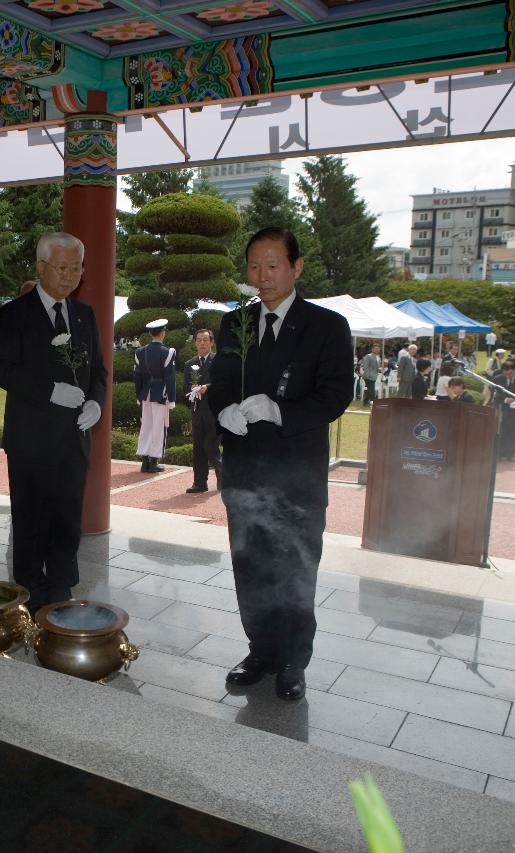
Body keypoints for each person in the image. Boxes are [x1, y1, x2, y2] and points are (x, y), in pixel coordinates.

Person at [208, 226, 352, 702]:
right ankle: (261, 650)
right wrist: (223, 409)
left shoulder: (326, 326)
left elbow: (335, 395)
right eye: (254, 266)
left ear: (296, 266)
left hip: (296, 475)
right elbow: (221, 383)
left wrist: (281, 411)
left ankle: (293, 659)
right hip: (246, 472)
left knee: (294, 568)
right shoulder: (236, 324)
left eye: (273, 265)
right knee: (249, 565)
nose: (262, 276)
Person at [0, 232, 107, 614]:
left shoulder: (84, 315)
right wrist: (48, 390)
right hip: (31, 437)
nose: (70, 275)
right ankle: (28, 585)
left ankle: (60, 583)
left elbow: (99, 371)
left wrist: (97, 404)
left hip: (74, 437)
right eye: (62, 267)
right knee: (31, 514)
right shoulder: (14, 314)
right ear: (41, 268)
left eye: (76, 268)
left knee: (67, 512)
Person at [134, 318, 176, 473]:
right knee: (159, 427)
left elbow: (137, 376)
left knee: (146, 426)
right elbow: (169, 377)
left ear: (151, 334)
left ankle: (144, 461)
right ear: (163, 333)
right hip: (160, 394)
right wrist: (171, 398)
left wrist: (139, 395)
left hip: (145, 393)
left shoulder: (140, 351)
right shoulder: (168, 352)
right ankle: (153, 462)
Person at [183, 328, 222, 493]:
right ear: (195, 343)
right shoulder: (189, 364)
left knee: (211, 446)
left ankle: (223, 479)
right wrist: (192, 389)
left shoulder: (219, 361)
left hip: (214, 411)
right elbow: (184, 388)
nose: (202, 343)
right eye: (199, 340)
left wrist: (207, 387)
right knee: (198, 447)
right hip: (197, 411)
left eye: (205, 340)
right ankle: (199, 482)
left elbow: (223, 383)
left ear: (212, 342)